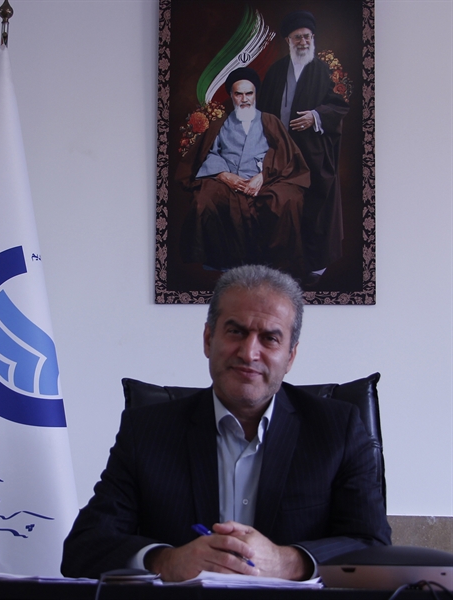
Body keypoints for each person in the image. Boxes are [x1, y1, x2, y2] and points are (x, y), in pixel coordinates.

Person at [61, 265, 391, 581]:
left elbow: (373, 545)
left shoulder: (338, 429)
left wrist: (286, 562)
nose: (249, 353)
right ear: (208, 339)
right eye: (236, 331)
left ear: (290, 356)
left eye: (270, 338)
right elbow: (84, 548)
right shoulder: (146, 431)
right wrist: (167, 561)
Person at [178, 68, 310, 278]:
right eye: (239, 94)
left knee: (288, 199)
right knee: (204, 199)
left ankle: (276, 263)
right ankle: (221, 262)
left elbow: (284, 154)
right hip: (228, 181)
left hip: (266, 179)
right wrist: (224, 175)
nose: (244, 99)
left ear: (255, 94)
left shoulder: (270, 121)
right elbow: (209, 153)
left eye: (249, 93)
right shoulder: (219, 124)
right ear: (231, 96)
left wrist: (263, 176)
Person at [257, 10, 349, 284]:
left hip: (313, 154)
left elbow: (339, 106)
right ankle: (282, 263)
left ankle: (314, 264)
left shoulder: (325, 70)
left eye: (307, 37)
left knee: (314, 209)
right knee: (280, 205)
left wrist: (316, 116)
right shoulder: (275, 71)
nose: (303, 42)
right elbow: (263, 110)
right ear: (288, 40)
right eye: (298, 37)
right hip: (279, 153)